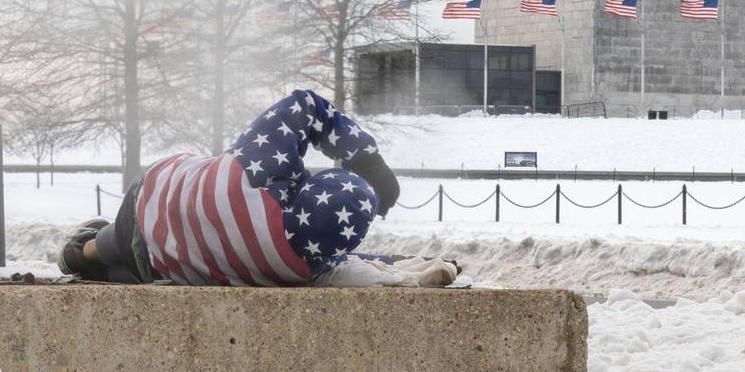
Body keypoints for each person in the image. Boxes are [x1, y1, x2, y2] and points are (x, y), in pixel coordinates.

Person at [58, 89, 454, 287]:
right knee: (128, 267)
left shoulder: (262, 169)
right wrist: (403, 262)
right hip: (169, 262)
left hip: (153, 200)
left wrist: (366, 160)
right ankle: (96, 259)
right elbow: (352, 269)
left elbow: (305, 105)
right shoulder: (303, 267)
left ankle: (82, 251)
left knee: (114, 241)